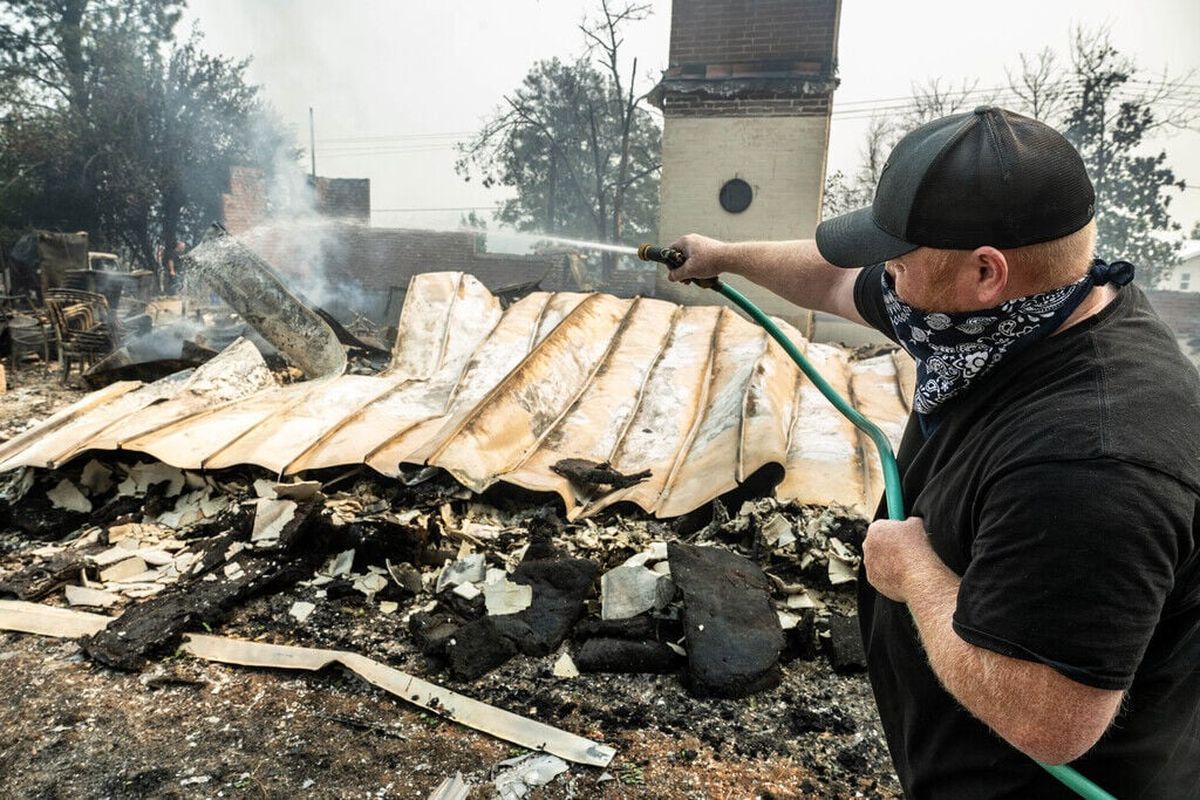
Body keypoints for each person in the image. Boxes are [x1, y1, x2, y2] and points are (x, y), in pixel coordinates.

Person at [668, 106, 1199, 799]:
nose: (881, 275)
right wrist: (725, 256)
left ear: (986, 271)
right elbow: (831, 281)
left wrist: (914, 572)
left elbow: (1050, 723)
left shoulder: (1092, 464)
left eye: (895, 256)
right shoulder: (1008, 313)